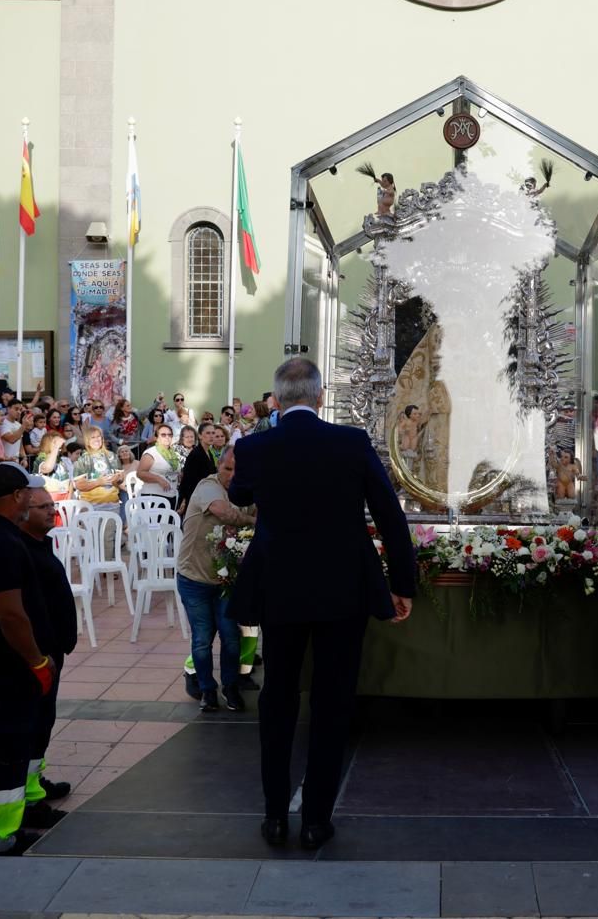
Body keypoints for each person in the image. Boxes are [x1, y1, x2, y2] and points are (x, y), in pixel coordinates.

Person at [227, 358, 416, 849]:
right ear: (320, 395)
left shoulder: (254, 447)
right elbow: (390, 516)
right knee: (333, 703)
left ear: (276, 400)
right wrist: (403, 583)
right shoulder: (350, 443)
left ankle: (273, 816)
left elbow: (241, 491)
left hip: (280, 589)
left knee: (278, 700)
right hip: (343, 590)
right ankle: (315, 821)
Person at [0, 463, 64, 858]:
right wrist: (37, 661)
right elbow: (10, 614)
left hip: (7, 663)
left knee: (18, 742)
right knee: (6, 748)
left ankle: (15, 817)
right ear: (18, 496)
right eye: (28, 493)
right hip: (8, 665)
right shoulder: (0, 541)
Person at [177, 445, 256, 710]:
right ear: (218, 467)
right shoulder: (207, 486)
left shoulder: (248, 491)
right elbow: (223, 511)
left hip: (225, 580)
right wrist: (253, 521)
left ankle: (231, 688)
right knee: (202, 639)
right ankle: (207, 691)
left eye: (239, 470)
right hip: (194, 577)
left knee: (231, 637)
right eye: (228, 468)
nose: (233, 475)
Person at [17, 487, 77, 808]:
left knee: (44, 719)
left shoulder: (41, 543)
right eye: (43, 507)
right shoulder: (21, 550)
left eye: (52, 505)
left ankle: (35, 782)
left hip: (52, 650)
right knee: (33, 721)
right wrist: (39, 654)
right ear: (24, 513)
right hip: (36, 654)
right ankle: (27, 796)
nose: (52, 511)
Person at [135, 423, 180, 503]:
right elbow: (140, 473)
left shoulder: (173, 454)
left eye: (170, 435)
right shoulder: (151, 452)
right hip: (153, 497)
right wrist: (159, 479)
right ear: (156, 437)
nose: (167, 437)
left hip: (171, 496)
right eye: (163, 435)